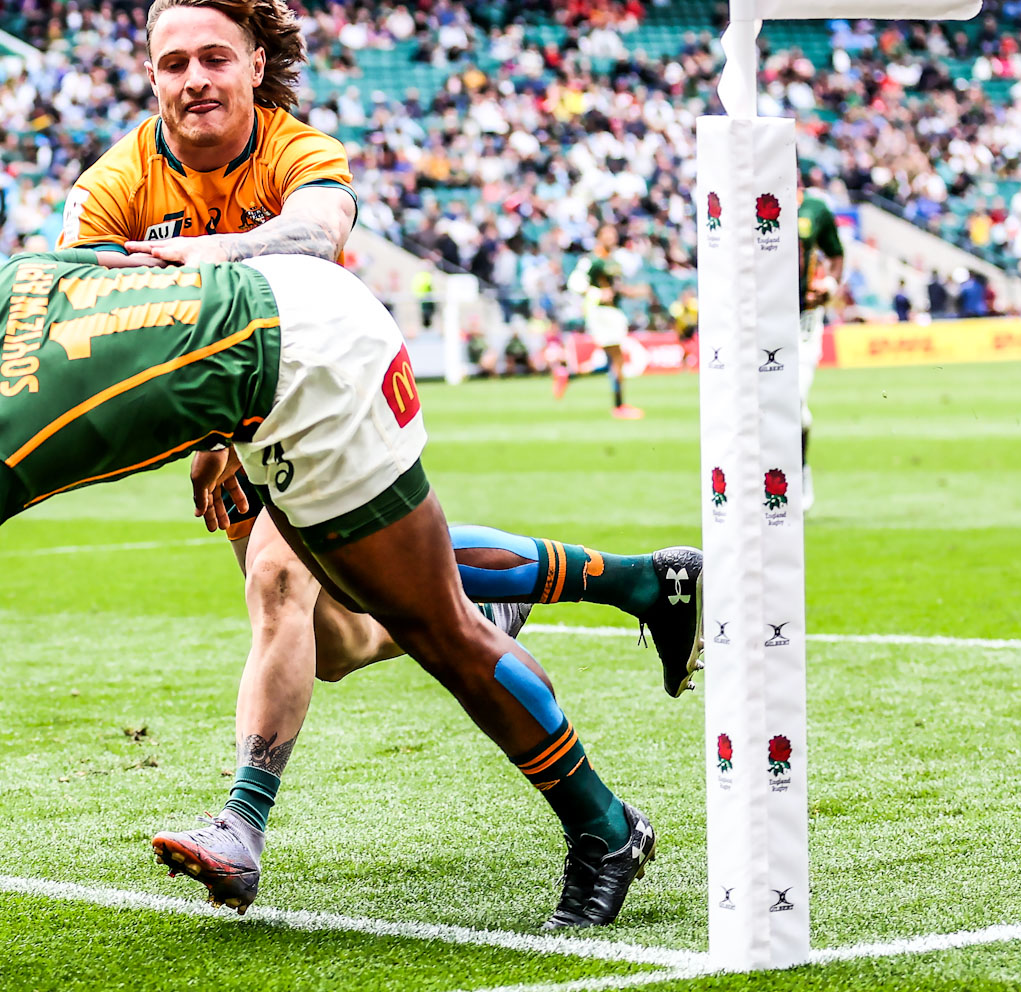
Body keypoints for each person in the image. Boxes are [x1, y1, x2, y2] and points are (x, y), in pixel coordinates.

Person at [0, 249, 675, 959]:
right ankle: (641, 584)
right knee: (353, 602)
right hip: (294, 306)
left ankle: (605, 828)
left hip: (304, 374)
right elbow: (128, 279)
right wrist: (211, 421)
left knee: (427, 627)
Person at [58, 0, 700, 912]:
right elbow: (88, 312)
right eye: (172, 64)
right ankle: (619, 582)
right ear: (151, 75)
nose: (193, 79)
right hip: (230, 416)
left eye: (213, 57)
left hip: (335, 381)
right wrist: (199, 436)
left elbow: (316, 233)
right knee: (340, 638)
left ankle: (241, 826)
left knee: (282, 584)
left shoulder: (295, 150)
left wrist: (190, 264)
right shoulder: (113, 184)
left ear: (252, 62)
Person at [556, 226, 641, 418]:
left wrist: (630, 291)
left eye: (613, 234)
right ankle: (619, 406)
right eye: (607, 234)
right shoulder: (591, 259)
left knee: (612, 361)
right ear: (599, 237)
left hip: (613, 311)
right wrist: (597, 293)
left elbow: (614, 287)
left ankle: (568, 375)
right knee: (617, 359)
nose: (611, 237)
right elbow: (575, 282)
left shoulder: (613, 260)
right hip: (601, 313)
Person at [796, 186, 844, 514]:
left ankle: (798, 472)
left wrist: (831, 285)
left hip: (803, 317)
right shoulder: (742, 202)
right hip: (759, 316)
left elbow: (836, 254)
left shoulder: (814, 209)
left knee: (794, 397)